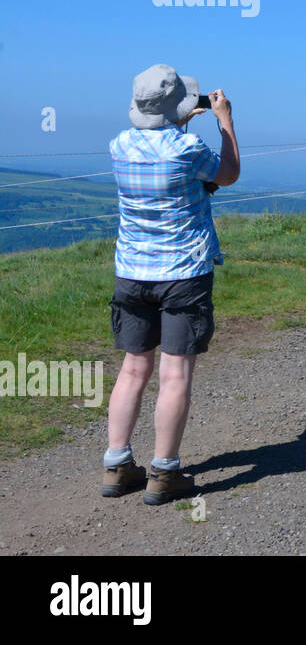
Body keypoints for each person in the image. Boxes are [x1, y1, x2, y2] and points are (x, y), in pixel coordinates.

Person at [102, 64, 240, 505]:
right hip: (183, 272)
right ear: (178, 108)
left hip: (132, 273)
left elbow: (157, 147)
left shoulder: (119, 145)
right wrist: (225, 121)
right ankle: (164, 472)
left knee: (133, 370)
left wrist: (175, 117)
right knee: (175, 372)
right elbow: (228, 173)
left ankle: (117, 465)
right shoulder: (187, 147)